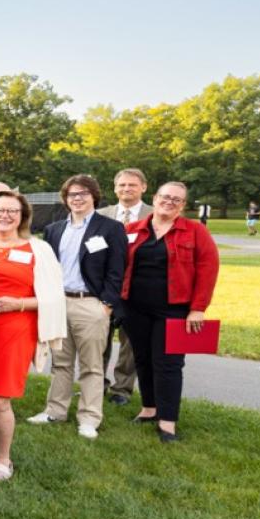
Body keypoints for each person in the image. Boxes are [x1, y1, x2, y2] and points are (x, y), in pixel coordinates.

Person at [0, 191, 65, 480]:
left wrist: (17, 303)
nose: (5, 216)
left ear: (23, 217)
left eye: (13, 211)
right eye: (0, 210)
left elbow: (54, 298)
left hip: (14, 328)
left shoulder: (38, 249)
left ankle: (5, 460)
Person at [27, 175, 129, 440]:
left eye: (83, 193)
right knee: (60, 363)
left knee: (92, 365)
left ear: (94, 196)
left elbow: (117, 270)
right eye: (72, 194)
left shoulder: (110, 228)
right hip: (59, 303)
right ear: (65, 198)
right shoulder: (54, 229)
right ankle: (55, 411)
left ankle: (89, 418)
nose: (78, 198)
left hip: (91, 304)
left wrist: (106, 305)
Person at [121, 182, 220, 442]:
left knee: (168, 365)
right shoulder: (132, 230)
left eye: (176, 199)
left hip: (174, 310)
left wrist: (198, 309)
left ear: (183, 205)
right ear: (154, 198)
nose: (169, 202)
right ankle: (149, 408)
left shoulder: (196, 232)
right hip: (135, 308)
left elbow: (208, 271)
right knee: (142, 359)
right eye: (165, 197)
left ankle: (167, 421)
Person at [97, 168, 150, 405]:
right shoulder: (100, 214)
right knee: (98, 340)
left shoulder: (154, 214)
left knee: (130, 343)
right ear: (115, 188)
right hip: (103, 287)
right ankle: (96, 385)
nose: (126, 189)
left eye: (132, 185)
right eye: (122, 185)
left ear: (143, 188)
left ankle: (122, 390)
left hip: (138, 289)